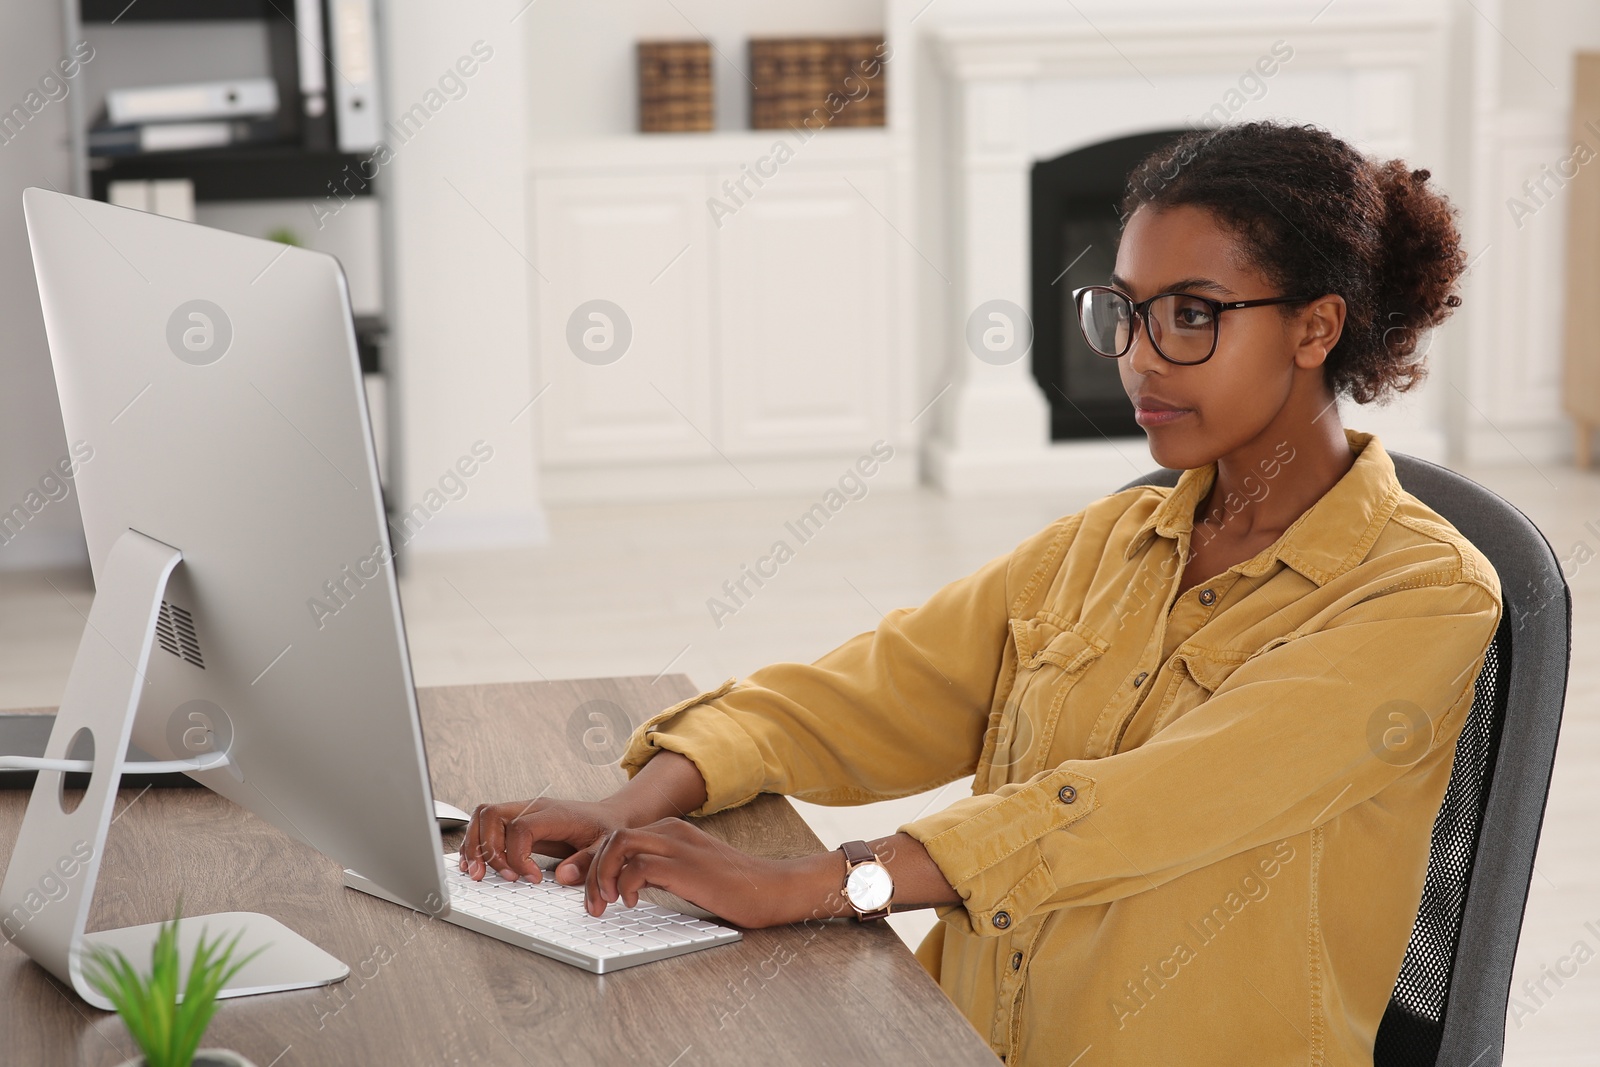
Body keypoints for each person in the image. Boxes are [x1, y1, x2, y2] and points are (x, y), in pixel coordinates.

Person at [461, 121, 1500, 1065]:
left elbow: (1138, 810)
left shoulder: (1423, 596)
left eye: (1192, 316)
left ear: (1315, 328)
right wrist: (624, 803)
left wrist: (822, 881)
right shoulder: (1109, 541)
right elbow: (866, 694)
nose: (1138, 357)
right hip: (952, 1036)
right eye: (1124, 312)